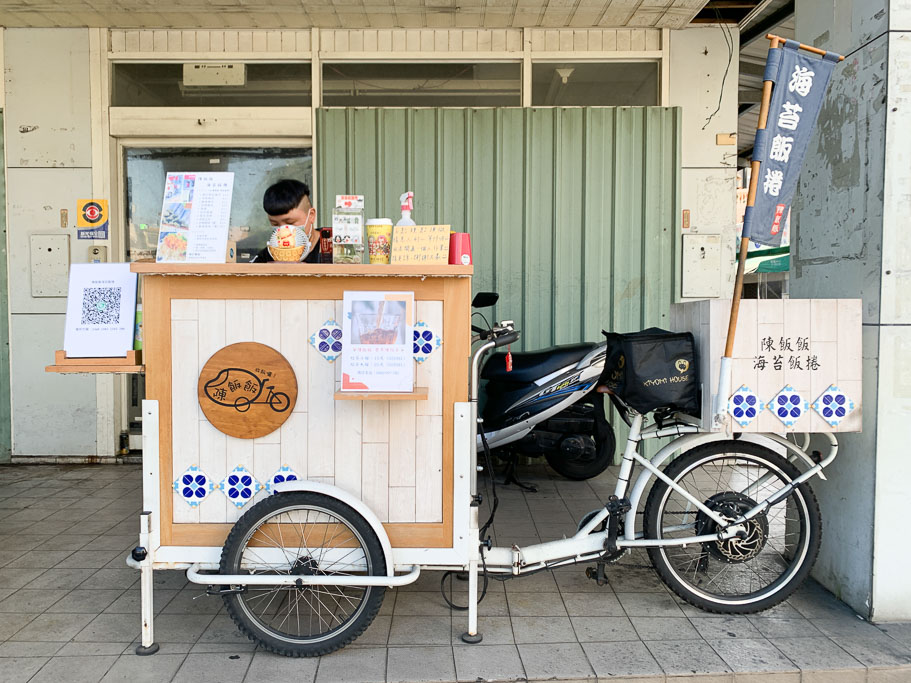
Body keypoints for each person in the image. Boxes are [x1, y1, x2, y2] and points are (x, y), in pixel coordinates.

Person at [250, 179, 318, 263]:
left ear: (311, 215)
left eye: (290, 223)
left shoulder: (333, 248)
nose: (283, 231)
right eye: (275, 224)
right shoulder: (267, 256)